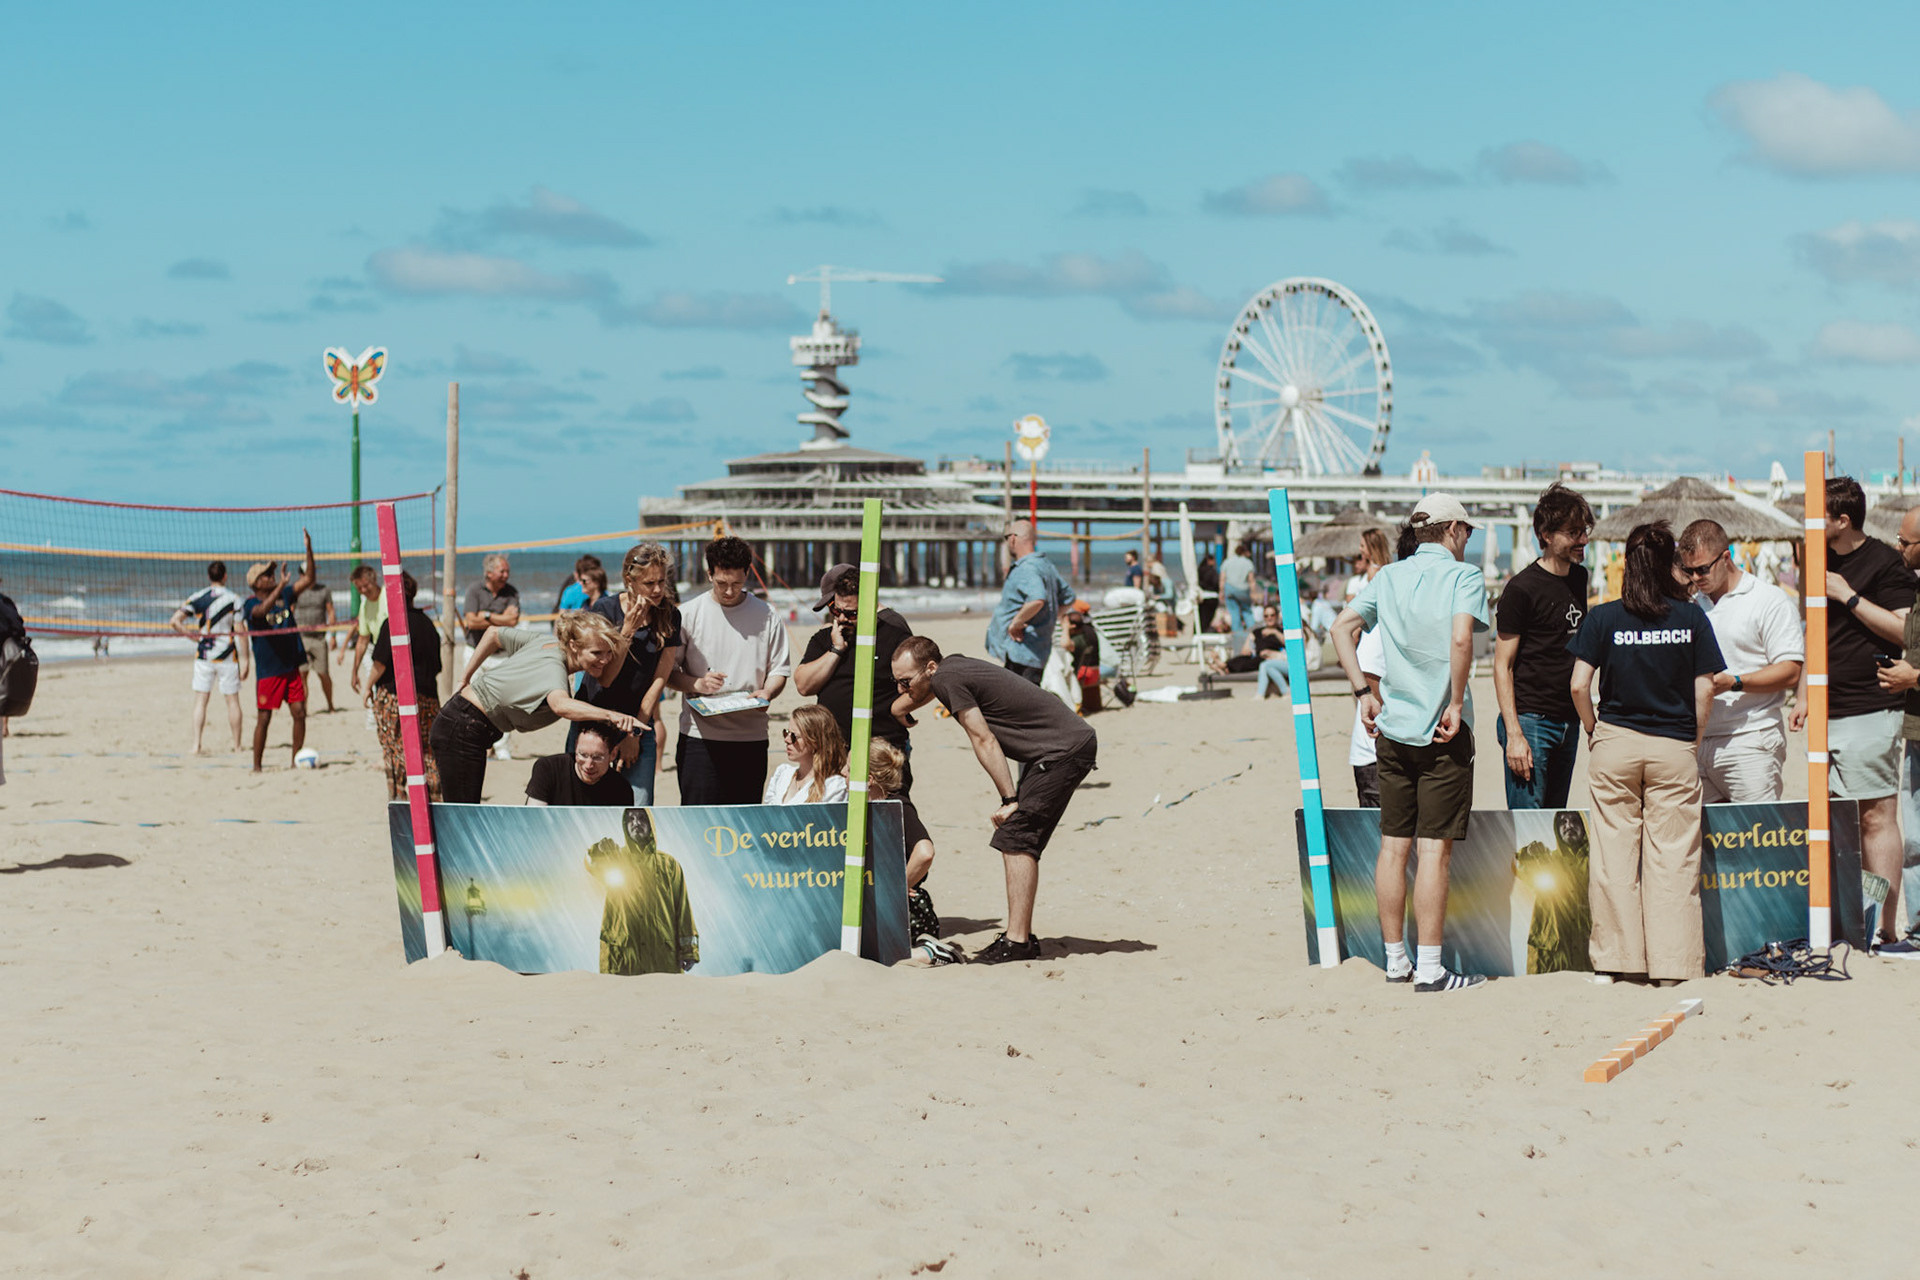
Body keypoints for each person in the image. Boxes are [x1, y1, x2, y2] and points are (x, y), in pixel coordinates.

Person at [1330, 493, 1490, 993]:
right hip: (1441, 729)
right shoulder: (1464, 577)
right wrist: (1457, 702)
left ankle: (1395, 960)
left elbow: (1341, 628)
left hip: (1392, 728)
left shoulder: (1389, 577)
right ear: (1451, 530)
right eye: (1466, 530)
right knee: (1434, 852)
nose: (1467, 538)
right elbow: (1462, 640)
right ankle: (1432, 968)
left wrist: (1363, 692)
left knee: (1393, 848)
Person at [1569, 521, 1724, 985]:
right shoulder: (1691, 618)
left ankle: (1616, 962)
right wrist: (1691, 740)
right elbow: (1705, 691)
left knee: (1614, 855)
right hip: (1673, 745)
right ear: (1666, 566)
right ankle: (1672, 968)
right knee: (1673, 861)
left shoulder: (1603, 617)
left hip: (1615, 740)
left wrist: (1594, 729)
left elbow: (1578, 684)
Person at [891, 635, 1097, 964]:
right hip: (1061, 744)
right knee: (1018, 837)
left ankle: (1018, 942)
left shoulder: (945, 679)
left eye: (904, 682)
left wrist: (1009, 798)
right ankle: (1020, 938)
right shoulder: (951, 668)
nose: (902, 689)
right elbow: (919, 691)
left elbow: (983, 738)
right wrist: (898, 706)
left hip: (1061, 750)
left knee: (1016, 836)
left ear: (930, 668)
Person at [1794, 475, 1916, 950]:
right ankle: (1847, 920)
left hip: (1871, 705)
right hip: (1826, 708)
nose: (1809, 523)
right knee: (1832, 820)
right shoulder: (1814, 558)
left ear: (1842, 520)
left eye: (1817, 515)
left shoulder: (1885, 562)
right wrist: (1804, 692)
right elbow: (1813, 631)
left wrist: (1848, 595)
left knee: (1875, 817)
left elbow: (1905, 632)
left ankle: (1883, 928)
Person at [430, 610, 642, 804]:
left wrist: (465, 678)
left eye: (608, 653)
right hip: (462, 728)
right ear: (574, 646)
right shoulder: (554, 668)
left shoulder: (545, 642)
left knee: (463, 813)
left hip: (463, 722)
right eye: (597, 653)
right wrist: (610, 716)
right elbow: (560, 705)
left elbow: (493, 634)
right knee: (462, 815)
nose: (605, 660)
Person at [1679, 519, 1804, 803]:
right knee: (1701, 844)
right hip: (1696, 742)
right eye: (1689, 571)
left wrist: (1735, 682)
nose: (1696, 578)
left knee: (1757, 839)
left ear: (1726, 557)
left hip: (1751, 738)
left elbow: (1790, 670)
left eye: (1702, 569)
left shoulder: (1768, 599)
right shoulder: (1690, 604)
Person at [1492, 482, 1594, 810]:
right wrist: (1514, 734)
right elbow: (1502, 665)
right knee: (1529, 832)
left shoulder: (1580, 578)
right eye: (1574, 532)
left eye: (1585, 530)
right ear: (1547, 535)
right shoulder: (1521, 589)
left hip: (1569, 719)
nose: (1584, 540)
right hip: (1531, 720)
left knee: (1554, 822)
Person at [668, 536, 791, 806]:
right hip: (698, 737)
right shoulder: (687, 613)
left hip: (751, 737)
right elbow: (668, 672)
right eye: (721, 583)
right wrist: (696, 683)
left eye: (737, 583)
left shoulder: (768, 615)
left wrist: (768, 692)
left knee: (744, 824)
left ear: (747, 573)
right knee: (697, 820)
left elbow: (780, 669)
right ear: (709, 573)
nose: (729, 591)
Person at [573, 542, 683, 805]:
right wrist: (627, 632)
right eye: (649, 583)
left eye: (661, 581)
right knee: (582, 803)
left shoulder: (669, 616)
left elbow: (659, 679)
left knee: (638, 807)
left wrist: (635, 733)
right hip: (593, 718)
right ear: (629, 581)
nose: (658, 590)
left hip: (638, 722)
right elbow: (605, 678)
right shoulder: (604, 610)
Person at [793, 563, 913, 783]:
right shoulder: (825, 638)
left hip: (881, 746)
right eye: (836, 610)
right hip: (832, 748)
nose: (841, 618)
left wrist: (901, 708)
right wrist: (836, 650)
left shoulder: (894, 634)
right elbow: (803, 685)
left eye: (851, 613)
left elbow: (926, 677)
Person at [585, 808, 698, 975]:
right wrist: (598, 850)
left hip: (661, 958)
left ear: (650, 824)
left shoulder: (669, 865)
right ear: (625, 825)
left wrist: (689, 950)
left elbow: (683, 909)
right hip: (623, 957)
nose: (636, 822)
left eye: (641, 818)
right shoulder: (614, 857)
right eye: (630, 819)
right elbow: (592, 864)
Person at [869, 738, 952, 962]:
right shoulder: (867, 806)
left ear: (868, 779)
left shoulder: (897, 806)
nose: (842, 773)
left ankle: (928, 953)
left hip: (905, 909)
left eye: (847, 769)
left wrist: (899, 886)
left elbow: (925, 852)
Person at [241, 534, 318, 773]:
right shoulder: (249, 603)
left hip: (291, 666)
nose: (272, 576)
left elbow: (309, 578)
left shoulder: (285, 595)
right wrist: (282, 585)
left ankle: (295, 761)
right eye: (267, 575)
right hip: (269, 671)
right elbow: (261, 611)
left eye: (272, 573)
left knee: (299, 713)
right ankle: (257, 766)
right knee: (264, 719)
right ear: (256, 583)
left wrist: (309, 550)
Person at [364, 571, 443, 802]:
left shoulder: (394, 623)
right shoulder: (429, 625)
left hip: (396, 697)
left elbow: (380, 663)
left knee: (394, 750)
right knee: (428, 753)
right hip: (428, 697)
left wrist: (368, 687)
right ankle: (435, 801)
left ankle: (399, 800)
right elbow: (437, 666)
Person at [170, 560, 250, 754]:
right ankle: (237, 746)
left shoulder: (199, 597)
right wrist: (246, 658)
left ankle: (196, 745)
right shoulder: (234, 599)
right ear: (225, 576)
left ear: (209, 577)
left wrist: (194, 637)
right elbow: (241, 631)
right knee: (232, 701)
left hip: (204, 656)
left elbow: (174, 621)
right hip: (227, 657)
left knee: (201, 701)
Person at [987, 519, 1075, 684]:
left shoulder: (1027, 567)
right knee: (1022, 701)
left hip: (1021, 651)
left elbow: (1037, 599)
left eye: (1007, 538)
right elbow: (1069, 597)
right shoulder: (1046, 565)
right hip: (1036, 651)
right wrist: (1049, 617)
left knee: (1017, 704)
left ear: (1013, 538)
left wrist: (1016, 623)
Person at [461, 553, 521, 761]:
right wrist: (497, 619)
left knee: (504, 702)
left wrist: (484, 615)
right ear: (489, 573)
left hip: (501, 654)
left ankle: (501, 747)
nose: (506, 575)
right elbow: (471, 621)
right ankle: (477, 744)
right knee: (473, 699)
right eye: (502, 571)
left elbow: (513, 620)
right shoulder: (474, 590)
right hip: (476, 651)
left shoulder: (511, 592)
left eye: (507, 571)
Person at [527, 724, 635, 807]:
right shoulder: (548, 769)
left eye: (597, 757)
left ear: (613, 754)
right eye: (583, 755)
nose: (588, 765)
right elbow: (532, 817)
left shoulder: (621, 788)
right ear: (575, 747)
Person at [763, 704, 850, 804]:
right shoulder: (782, 774)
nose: (786, 740)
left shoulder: (833, 786)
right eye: (786, 733)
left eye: (794, 737)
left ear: (815, 742)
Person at [292, 569, 337, 712]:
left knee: (323, 674)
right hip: (301, 638)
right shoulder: (296, 591)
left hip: (319, 639)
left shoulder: (324, 590)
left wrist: (333, 635)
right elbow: (290, 611)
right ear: (301, 575)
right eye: (306, 573)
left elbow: (330, 612)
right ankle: (304, 709)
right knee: (302, 675)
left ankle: (330, 704)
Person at [346, 564, 384, 700]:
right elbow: (362, 641)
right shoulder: (364, 606)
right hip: (380, 656)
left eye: (366, 585)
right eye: (359, 588)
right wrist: (354, 672)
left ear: (374, 580)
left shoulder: (388, 596)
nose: (363, 590)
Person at [1218, 542, 1256, 633]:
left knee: (1234, 613)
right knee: (1247, 612)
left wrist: (1221, 592)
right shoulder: (1248, 563)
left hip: (1230, 589)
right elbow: (1251, 581)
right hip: (1243, 590)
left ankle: (1237, 635)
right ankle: (1252, 633)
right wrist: (1253, 593)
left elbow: (1222, 579)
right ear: (1245, 552)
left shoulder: (1227, 561)